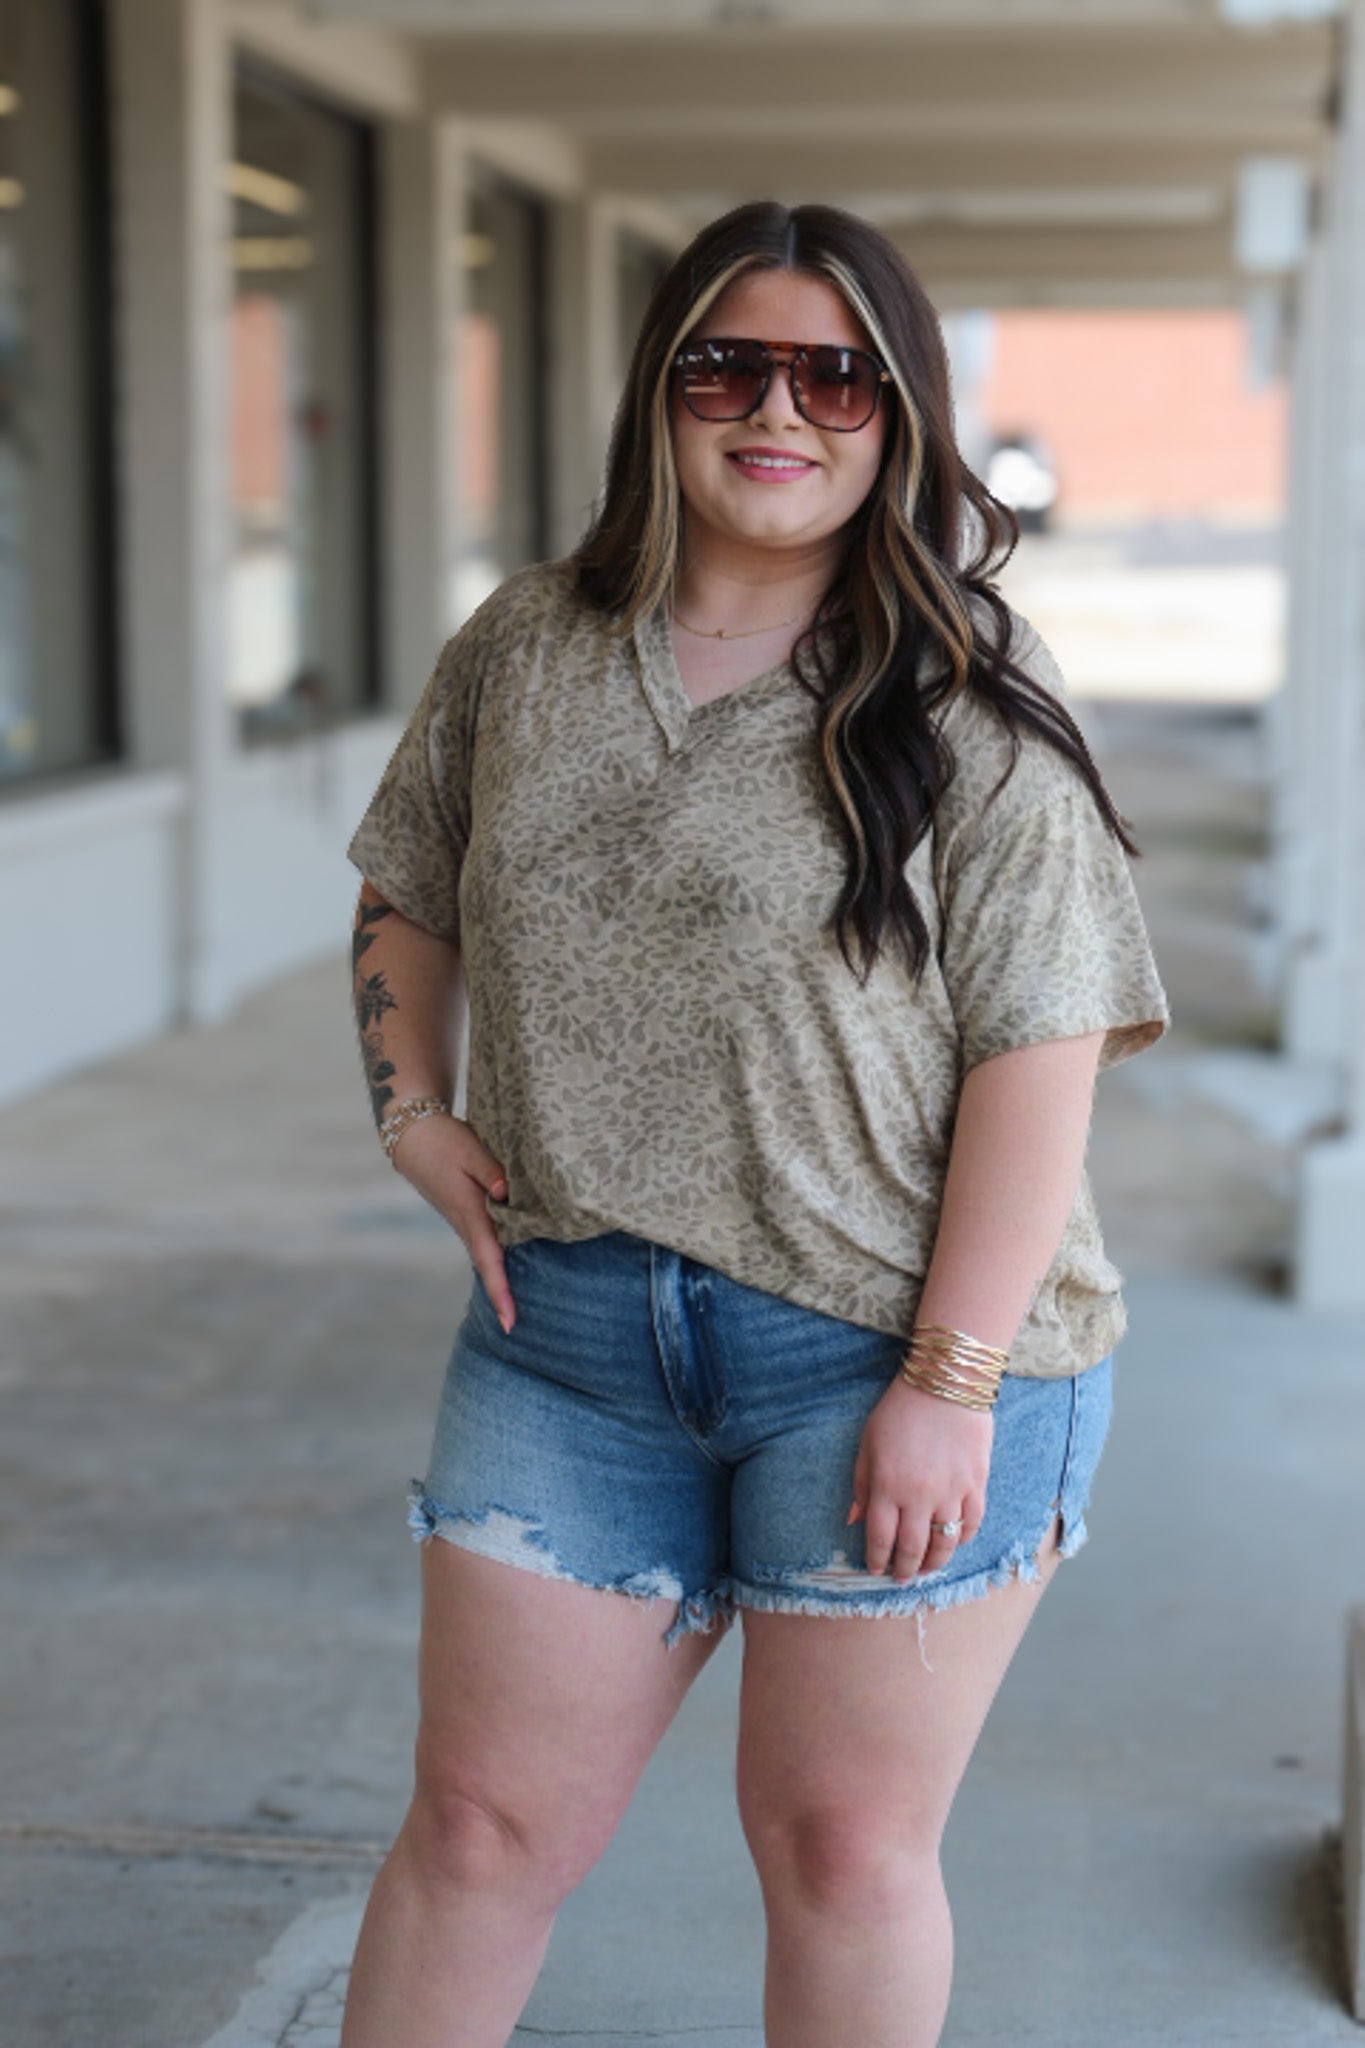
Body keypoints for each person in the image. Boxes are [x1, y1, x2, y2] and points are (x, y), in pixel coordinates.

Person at [337, 200, 1170, 2048]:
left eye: (834, 378)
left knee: (839, 1853)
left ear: (898, 418)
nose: (776, 411)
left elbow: (1035, 1062)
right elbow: (407, 883)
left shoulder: (964, 694)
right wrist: (409, 1106)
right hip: (562, 1347)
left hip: (883, 1352)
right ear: (662, 392)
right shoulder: (529, 646)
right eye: (727, 366)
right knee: (474, 1833)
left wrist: (948, 1381)